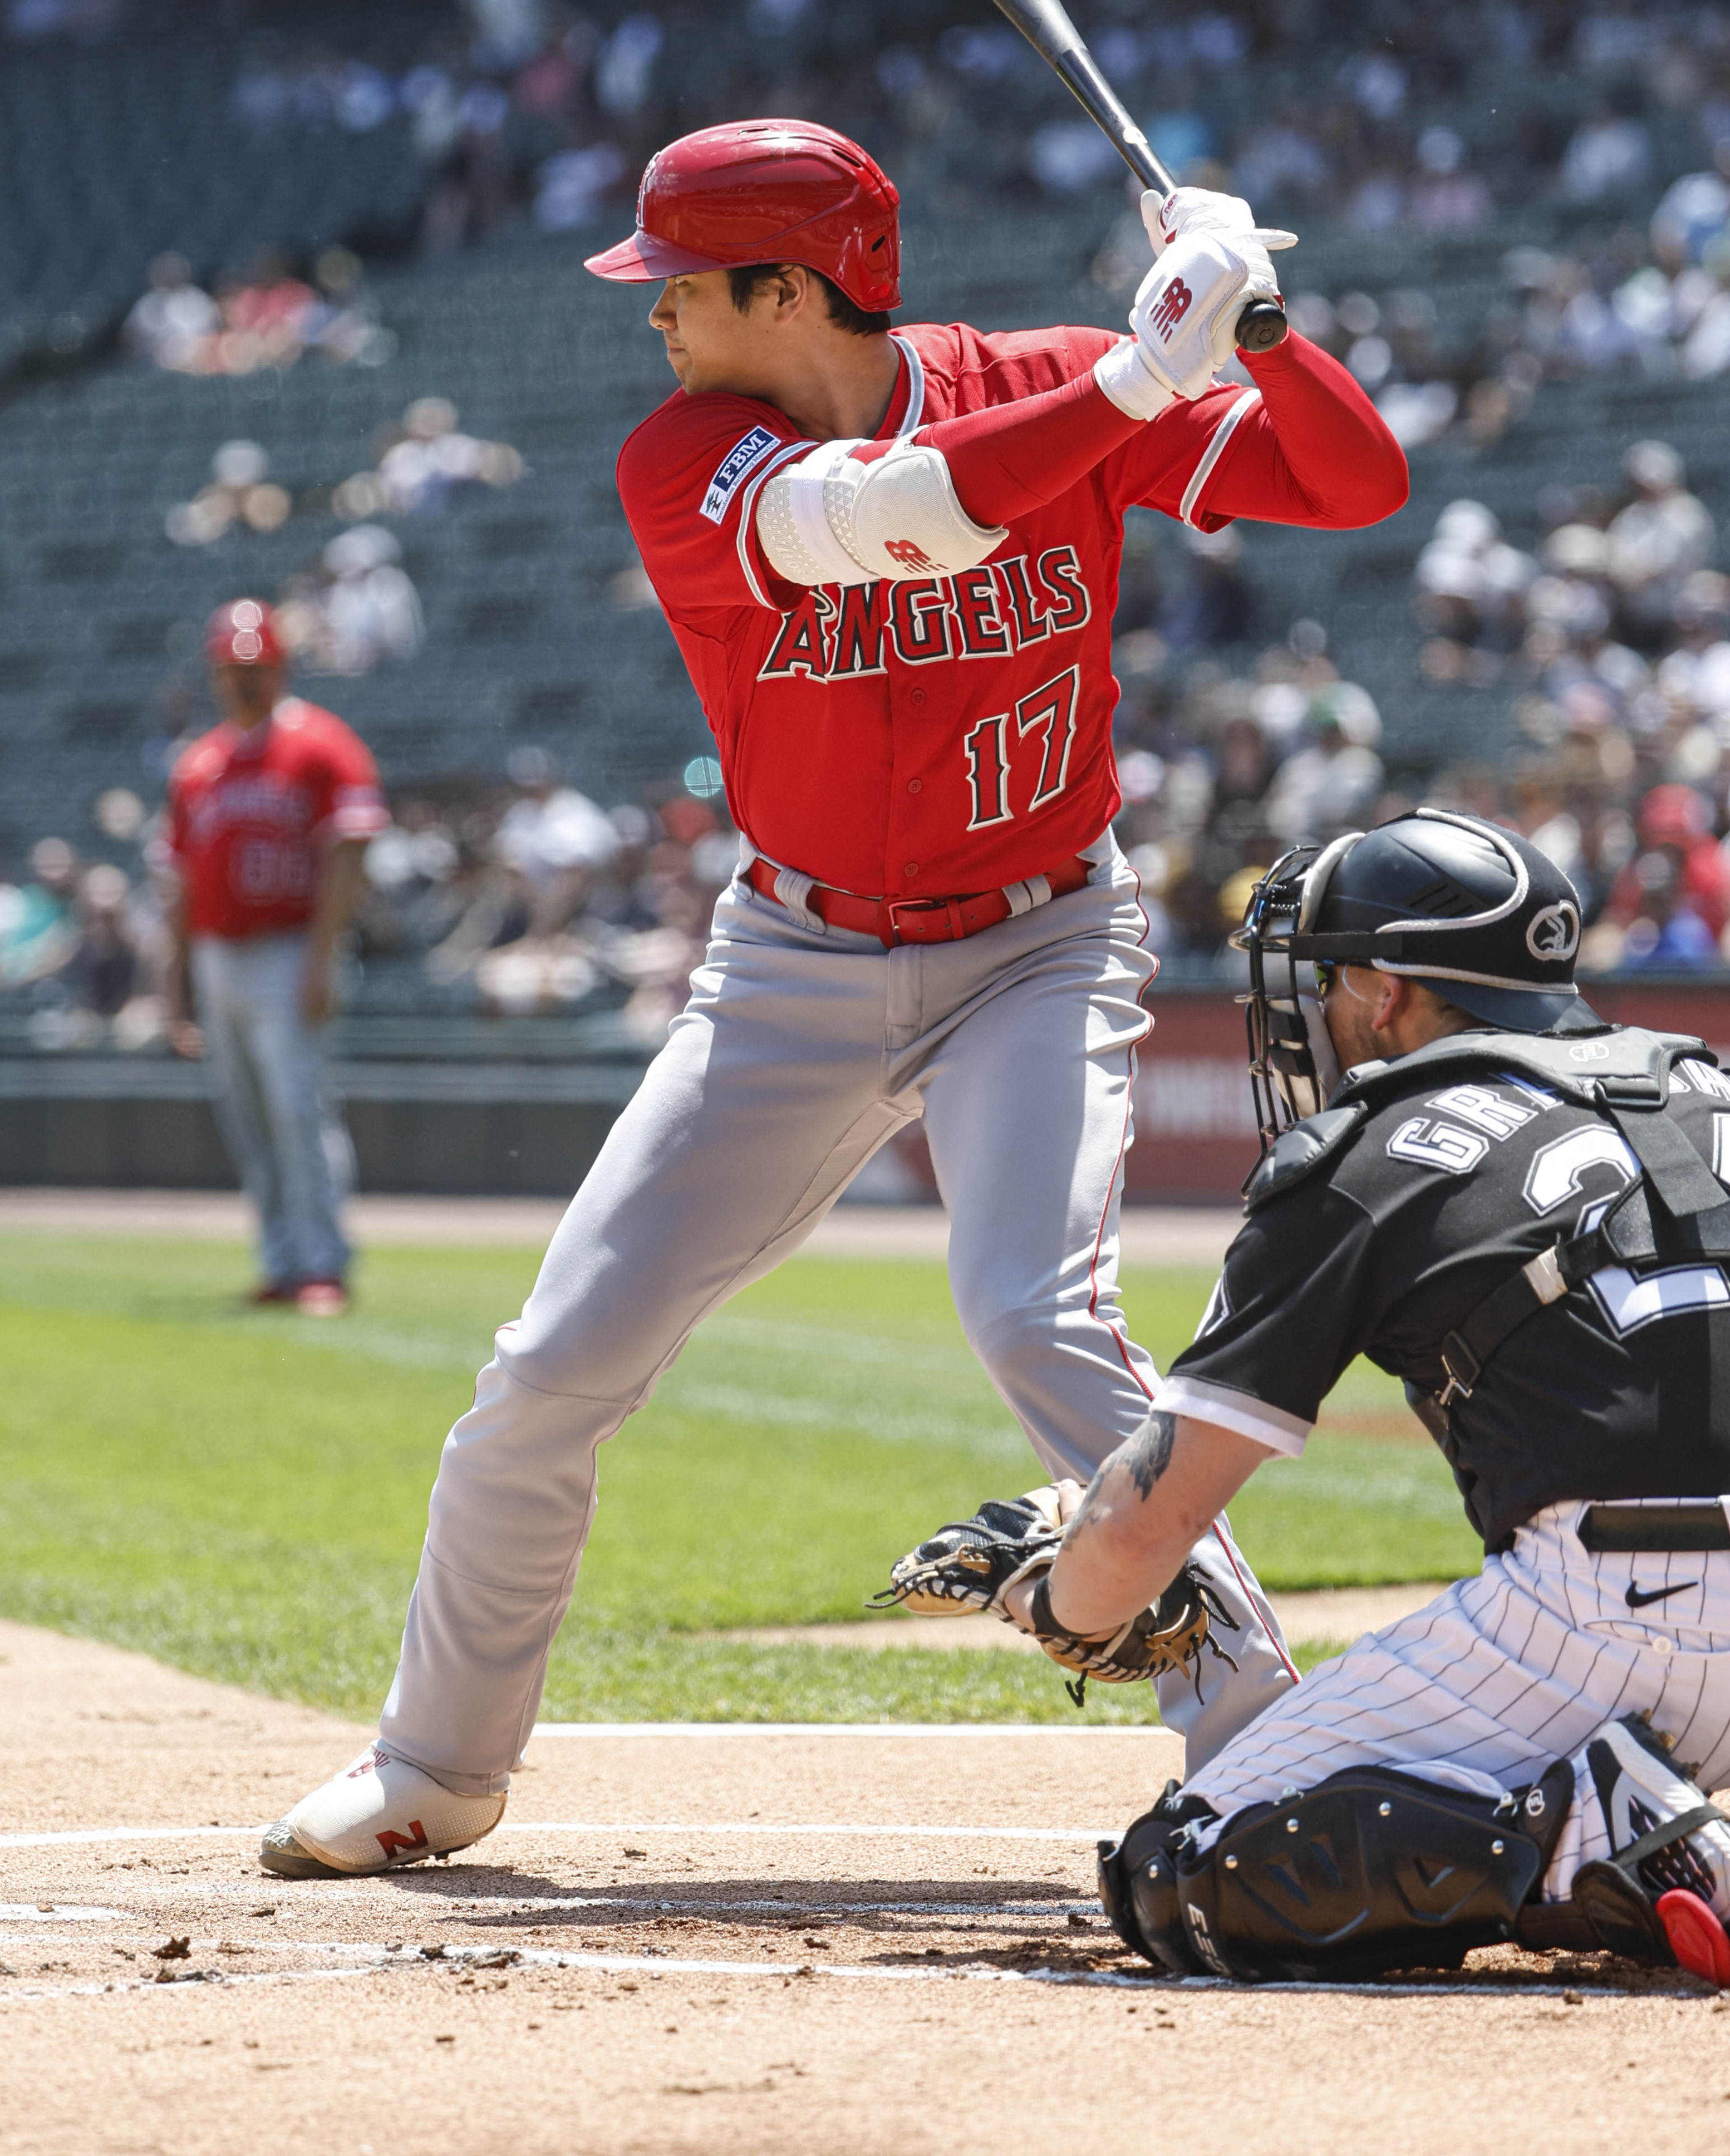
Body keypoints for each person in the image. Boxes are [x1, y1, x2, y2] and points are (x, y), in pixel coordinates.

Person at [259, 114, 1408, 1879]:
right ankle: (438, 1763)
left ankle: (1265, 1742)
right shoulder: (687, 457)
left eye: (681, 287)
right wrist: (1134, 370)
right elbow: (883, 523)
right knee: (549, 1368)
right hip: (792, 957)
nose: (653, 318)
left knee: (1033, 1312)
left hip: (1038, 936)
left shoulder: (1029, 378)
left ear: (787, 289)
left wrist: (1257, 324)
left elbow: (1352, 483)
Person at [979, 811, 1730, 1987]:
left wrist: (1068, 1605)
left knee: (1188, 1877)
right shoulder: (1708, 1085)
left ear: (1388, 994)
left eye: (1329, 978)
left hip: (1604, 1611)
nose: (1315, 1006)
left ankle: (1587, 1836)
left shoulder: (1371, 1151)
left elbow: (1141, 1527)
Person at [163, 599, 389, 1315]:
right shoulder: (198, 763)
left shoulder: (322, 744)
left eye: (255, 668)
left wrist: (322, 961)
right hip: (216, 954)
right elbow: (178, 885)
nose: (242, 682)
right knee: (248, 1116)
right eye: (231, 669)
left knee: (297, 1108)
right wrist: (175, 991)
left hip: (290, 947)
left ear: (280, 667)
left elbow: (348, 861)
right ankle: (281, 1257)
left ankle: (322, 1262)